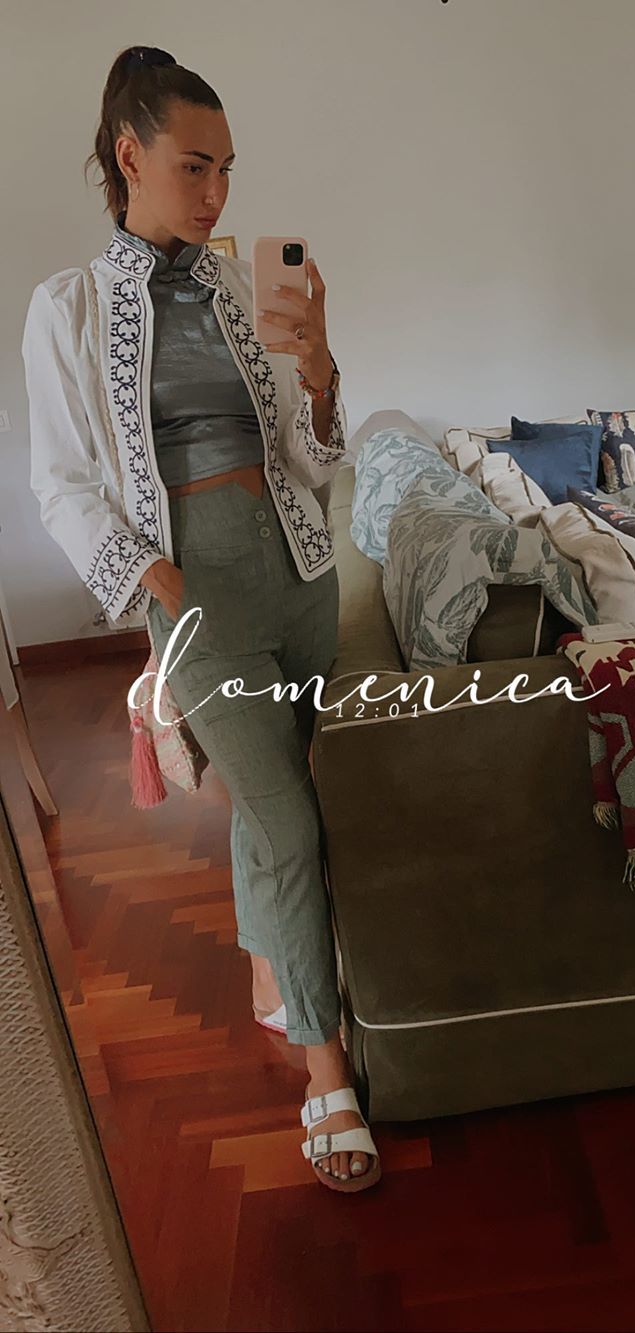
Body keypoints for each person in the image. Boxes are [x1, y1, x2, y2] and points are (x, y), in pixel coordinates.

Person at [21, 43, 380, 1193]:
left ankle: (276, 971)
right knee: (286, 820)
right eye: (195, 166)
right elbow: (61, 484)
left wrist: (319, 374)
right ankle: (329, 1075)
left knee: (285, 796)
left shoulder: (235, 288)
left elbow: (308, 460)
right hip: (196, 595)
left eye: (228, 169)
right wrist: (154, 582)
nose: (218, 192)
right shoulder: (70, 309)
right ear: (129, 158)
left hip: (300, 570)